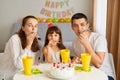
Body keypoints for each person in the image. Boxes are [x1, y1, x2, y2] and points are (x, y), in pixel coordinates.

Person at [71, 13, 114, 80]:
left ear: (87, 25)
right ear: (72, 28)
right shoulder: (74, 43)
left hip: (105, 75)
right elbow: (82, 63)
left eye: (82, 24)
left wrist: (86, 44)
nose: (79, 28)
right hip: (87, 75)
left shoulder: (99, 38)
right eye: (76, 25)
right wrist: (75, 61)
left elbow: (98, 64)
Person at [0, 15, 41, 80]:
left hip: (25, 75)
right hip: (10, 76)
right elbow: (19, 65)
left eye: (36, 26)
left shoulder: (35, 39)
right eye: (30, 25)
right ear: (23, 28)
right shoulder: (15, 39)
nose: (33, 28)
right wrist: (28, 45)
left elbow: (33, 62)